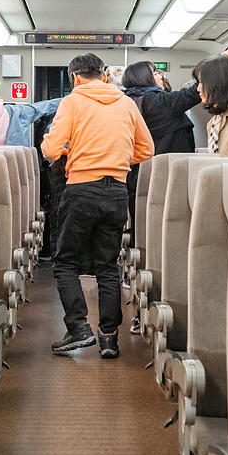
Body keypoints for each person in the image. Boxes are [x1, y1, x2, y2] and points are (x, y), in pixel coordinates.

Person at [41, 53, 154, 359]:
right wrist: (116, 160)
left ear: (75, 77)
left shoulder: (72, 102)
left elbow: (51, 148)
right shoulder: (126, 103)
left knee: (65, 262)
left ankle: (78, 328)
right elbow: (147, 149)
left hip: (81, 190)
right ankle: (109, 338)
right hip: (117, 191)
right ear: (104, 75)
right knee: (108, 266)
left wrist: (69, 155)